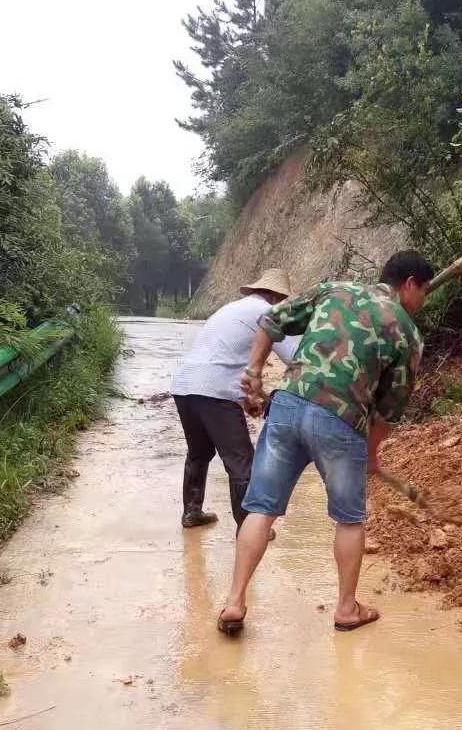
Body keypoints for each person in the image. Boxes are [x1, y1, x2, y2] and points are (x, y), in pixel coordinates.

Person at [216, 250, 435, 635]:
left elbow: (271, 320)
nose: (424, 302)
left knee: (261, 509)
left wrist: (253, 371)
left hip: (287, 406)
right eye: (425, 292)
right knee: (350, 518)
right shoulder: (407, 333)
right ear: (411, 284)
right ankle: (347, 609)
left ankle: (234, 601)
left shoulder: (335, 289)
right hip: (340, 419)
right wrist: (370, 453)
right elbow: (389, 411)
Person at [171, 269, 297, 530]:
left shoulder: (231, 309)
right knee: (241, 460)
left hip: (183, 385)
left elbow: (224, 357)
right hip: (214, 390)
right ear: (276, 296)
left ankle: (192, 512)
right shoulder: (267, 313)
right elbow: (295, 358)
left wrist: (249, 396)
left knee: (199, 452)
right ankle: (247, 526)